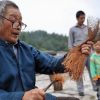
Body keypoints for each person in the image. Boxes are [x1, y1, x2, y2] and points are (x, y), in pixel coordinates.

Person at [0, 1, 93, 100]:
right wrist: (21, 97)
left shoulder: (27, 50)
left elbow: (53, 63)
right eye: (13, 20)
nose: (18, 25)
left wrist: (76, 53)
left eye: (20, 22)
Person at [68, 10, 94, 96]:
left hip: (89, 52)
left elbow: (92, 40)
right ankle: (80, 90)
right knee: (78, 72)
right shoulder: (72, 29)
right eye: (81, 18)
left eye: (84, 18)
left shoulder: (88, 28)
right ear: (77, 18)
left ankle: (95, 87)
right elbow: (70, 43)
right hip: (78, 53)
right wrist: (72, 55)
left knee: (93, 71)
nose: (83, 20)